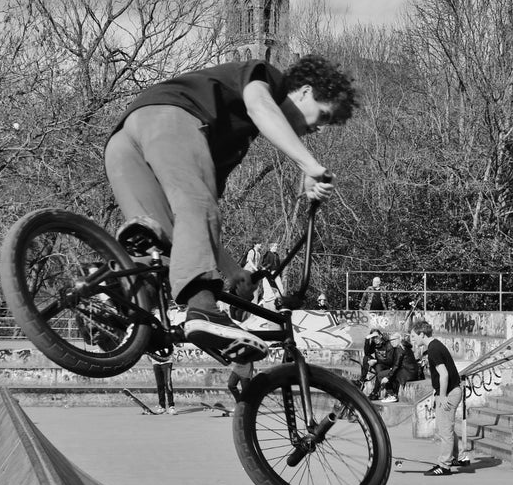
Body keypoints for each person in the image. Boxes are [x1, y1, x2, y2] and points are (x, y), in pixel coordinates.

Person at [104, 54, 357, 362]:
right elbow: (260, 107)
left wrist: (232, 271)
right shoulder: (268, 80)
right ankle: (203, 311)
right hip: (170, 117)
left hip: (122, 144)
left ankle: (108, 297)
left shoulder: (230, 141)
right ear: (304, 92)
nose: (319, 130)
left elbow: (196, 222)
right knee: (197, 207)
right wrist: (309, 165)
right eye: (324, 116)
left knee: (162, 245)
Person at [410, 319, 464, 476]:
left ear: (421, 334)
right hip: (449, 391)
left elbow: (444, 374)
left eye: (414, 336)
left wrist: (441, 396)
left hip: (449, 393)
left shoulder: (433, 349)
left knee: (445, 431)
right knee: (446, 428)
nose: (412, 340)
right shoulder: (435, 345)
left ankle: (444, 466)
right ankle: (459, 456)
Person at [379, 330, 420, 403]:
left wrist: (388, 377)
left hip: (407, 373)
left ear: (398, 339)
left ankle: (392, 395)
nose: (391, 342)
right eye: (390, 340)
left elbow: (396, 365)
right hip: (409, 371)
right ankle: (392, 394)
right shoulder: (401, 346)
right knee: (384, 374)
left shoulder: (400, 349)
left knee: (382, 375)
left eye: (393, 340)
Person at [257, 241, 284, 307]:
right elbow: (264, 264)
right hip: (269, 273)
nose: (276, 248)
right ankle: (262, 302)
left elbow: (278, 265)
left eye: (277, 246)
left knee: (280, 289)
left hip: (276, 273)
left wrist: (280, 274)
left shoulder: (276, 255)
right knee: (268, 290)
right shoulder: (267, 254)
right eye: (275, 246)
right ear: (271, 247)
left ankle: (277, 303)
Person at [151, 350, 177, 415]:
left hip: (167, 361)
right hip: (156, 362)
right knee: (159, 384)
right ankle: (162, 406)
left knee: (167, 383)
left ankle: (171, 406)